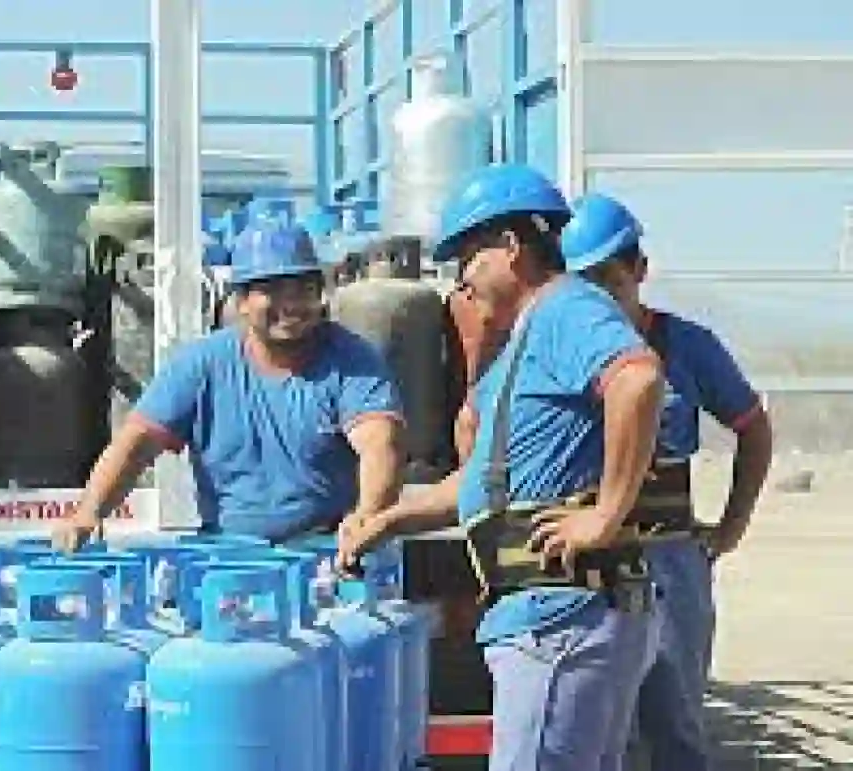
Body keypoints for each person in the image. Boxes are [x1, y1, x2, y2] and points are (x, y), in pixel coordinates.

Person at [337, 163, 667, 771]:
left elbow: (637, 380)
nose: (461, 279)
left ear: (511, 247)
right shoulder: (531, 333)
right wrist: (387, 520)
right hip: (553, 618)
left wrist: (604, 515)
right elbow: (483, 485)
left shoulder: (567, 308)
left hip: (561, 618)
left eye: (467, 258)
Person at [560, 192, 774, 771]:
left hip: (669, 561)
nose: (599, 299)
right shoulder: (556, 348)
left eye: (609, 280)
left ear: (639, 270)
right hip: (588, 564)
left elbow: (753, 428)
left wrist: (730, 528)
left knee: (676, 725)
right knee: (600, 729)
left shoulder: (687, 346)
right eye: (583, 284)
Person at [57, 217, 406, 550]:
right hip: (229, 552)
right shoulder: (202, 364)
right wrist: (88, 513)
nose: (291, 305)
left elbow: (380, 445)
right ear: (241, 302)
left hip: (328, 550)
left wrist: (367, 515)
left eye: (304, 290)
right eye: (272, 290)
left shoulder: (353, 360)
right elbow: (135, 444)